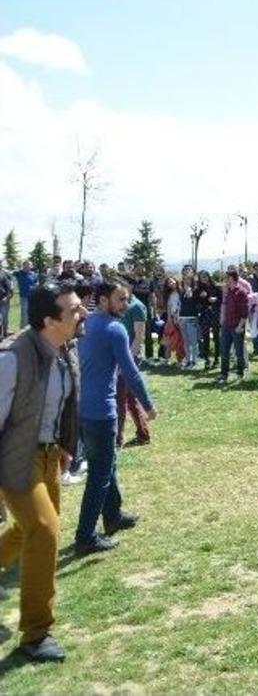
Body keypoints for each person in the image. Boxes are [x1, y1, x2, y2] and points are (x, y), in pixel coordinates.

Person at [0, 283, 87, 661]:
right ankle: (36, 634)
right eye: (74, 310)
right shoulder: (12, 358)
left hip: (49, 454)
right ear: (49, 321)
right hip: (15, 459)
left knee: (28, 528)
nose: (83, 314)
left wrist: (64, 446)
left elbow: (66, 404)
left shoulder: (65, 348)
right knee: (45, 530)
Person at [74, 282, 157, 555]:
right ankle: (85, 536)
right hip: (101, 411)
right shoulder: (115, 329)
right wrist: (147, 405)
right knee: (100, 473)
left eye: (127, 299)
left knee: (106, 463)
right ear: (103, 300)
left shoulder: (86, 323)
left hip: (82, 409)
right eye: (120, 300)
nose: (125, 305)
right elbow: (130, 372)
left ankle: (113, 515)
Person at [116, 289, 150, 448]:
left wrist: (127, 360)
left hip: (130, 357)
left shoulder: (136, 307)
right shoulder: (122, 306)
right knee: (128, 397)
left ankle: (117, 438)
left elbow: (139, 336)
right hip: (121, 357)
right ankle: (142, 433)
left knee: (121, 398)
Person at [218, 270, 250, 384]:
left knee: (239, 351)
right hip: (227, 326)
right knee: (224, 351)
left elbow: (245, 313)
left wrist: (240, 326)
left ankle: (240, 373)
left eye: (227, 278)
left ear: (232, 279)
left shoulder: (241, 292)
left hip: (237, 327)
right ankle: (223, 374)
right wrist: (222, 322)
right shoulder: (228, 292)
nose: (225, 280)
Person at [195, 270, 221, 371]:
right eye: (202, 277)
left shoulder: (216, 287)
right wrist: (200, 298)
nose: (204, 278)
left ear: (208, 276)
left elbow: (222, 299)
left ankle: (217, 358)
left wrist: (216, 299)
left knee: (216, 337)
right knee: (205, 338)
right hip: (204, 315)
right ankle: (207, 360)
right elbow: (195, 302)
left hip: (215, 314)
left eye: (205, 276)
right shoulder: (198, 289)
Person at [177, 268, 200, 368]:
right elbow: (180, 304)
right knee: (186, 341)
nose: (187, 278)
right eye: (185, 276)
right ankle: (188, 360)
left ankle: (194, 361)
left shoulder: (196, 288)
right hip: (182, 318)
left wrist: (189, 291)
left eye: (189, 276)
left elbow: (194, 301)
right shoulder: (180, 288)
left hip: (192, 317)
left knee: (193, 341)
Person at [13, 260, 38, 329]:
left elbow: (36, 283)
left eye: (29, 265)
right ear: (23, 266)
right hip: (24, 297)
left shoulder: (34, 274)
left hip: (32, 297)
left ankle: (29, 329)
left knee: (31, 313)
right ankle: (22, 330)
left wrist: (34, 286)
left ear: (32, 266)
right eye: (26, 265)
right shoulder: (19, 273)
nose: (28, 266)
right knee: (24, 314)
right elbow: (11, 273)